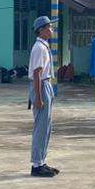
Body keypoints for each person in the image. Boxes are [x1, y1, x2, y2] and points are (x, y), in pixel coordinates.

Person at [28, 16, 58, 177]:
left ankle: (42, 161)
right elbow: (37, 73)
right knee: (40, 127)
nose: (51, 30)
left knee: (46, 127)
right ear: (41, 30)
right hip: (40, 86)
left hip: (46, 84)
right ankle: (36, 164)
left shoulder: (44, 46)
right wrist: (39, 98)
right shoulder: (39, 48)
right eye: (49, 27)